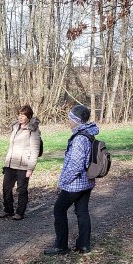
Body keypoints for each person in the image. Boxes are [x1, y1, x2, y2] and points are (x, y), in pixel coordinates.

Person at [45, 104, 99, 254]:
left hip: (75, 184)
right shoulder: (88, 133)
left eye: (70, 119)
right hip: (86, 182)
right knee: (82, 212)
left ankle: (61, 246)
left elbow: (76, 165)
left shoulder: (80, 138)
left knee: (59, 209)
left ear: (77, 120)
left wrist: (64, 181)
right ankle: (84, 245)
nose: (68, 121)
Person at [0, 104, 42, 221]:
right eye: (19, 114)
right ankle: (8, 209)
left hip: (24, 165)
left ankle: (20, 212)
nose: (21, 117)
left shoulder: (33, 130)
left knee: (21, 190)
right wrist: (6, 162)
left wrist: (30, 169)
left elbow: (35, 151)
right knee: (6, 188)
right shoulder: (15, 127)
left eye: (23, 115)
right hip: (10, 164)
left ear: (29, 116)